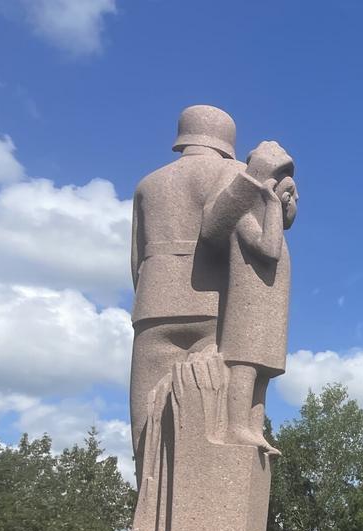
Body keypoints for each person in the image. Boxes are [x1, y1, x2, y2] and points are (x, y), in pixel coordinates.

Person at [127, 105, 244, 483]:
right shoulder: (237, 175)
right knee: (215, 418)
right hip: (216, 305)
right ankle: (206, 507)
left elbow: (135, 260)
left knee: (146, 422)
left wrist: (154, 289)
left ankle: (150, 500)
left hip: (154, 303)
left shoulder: (149, 184)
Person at [204, 140, 298, 453]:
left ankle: (254, 428)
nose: (293, 202)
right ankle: (235, 427)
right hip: (248, 309)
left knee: (263, 371)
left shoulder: (277, 230)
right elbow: (268, 250)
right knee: (244, 367)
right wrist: (271, 203)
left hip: (268, 312)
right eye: (289, 195)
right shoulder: (244, 219)